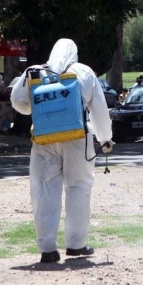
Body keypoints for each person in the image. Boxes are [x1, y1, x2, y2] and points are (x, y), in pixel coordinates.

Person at [9, 38, 114, 264]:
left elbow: (16, 100)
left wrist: (34, 108)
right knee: (78, 188)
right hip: (78, 138)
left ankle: (47, 249)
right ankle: (76, 245)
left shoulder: (34, 71)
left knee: (45, 190)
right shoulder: (84, 72)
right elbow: (100, 110)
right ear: (74, 54)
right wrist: (105, 139)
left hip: (44, 139)